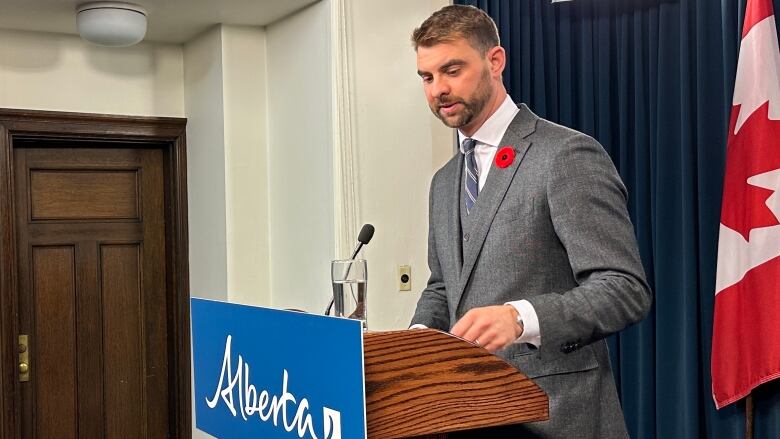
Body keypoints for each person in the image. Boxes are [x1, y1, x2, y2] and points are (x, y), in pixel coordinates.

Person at [408, 5, 652, 438]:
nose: (438, 90)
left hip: (557, 418)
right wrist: (416, 340)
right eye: (427, 77)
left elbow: (624, 290)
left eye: (452, 70)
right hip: (468, 417)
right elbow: (444, 286)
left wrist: (522, 317)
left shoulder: (566, 155)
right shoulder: (444, 182)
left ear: (495, 61)